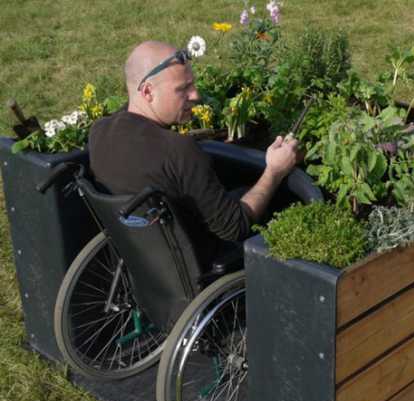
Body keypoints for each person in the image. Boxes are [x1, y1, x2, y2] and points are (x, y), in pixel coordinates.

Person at [89, 40, 300, 268]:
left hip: (143, 257)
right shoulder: (178, 151)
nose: (195, 95)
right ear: (147, 91)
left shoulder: (99, 131)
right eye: (183, 89)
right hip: (199, 265)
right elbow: (234, 227)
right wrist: (274, 172)